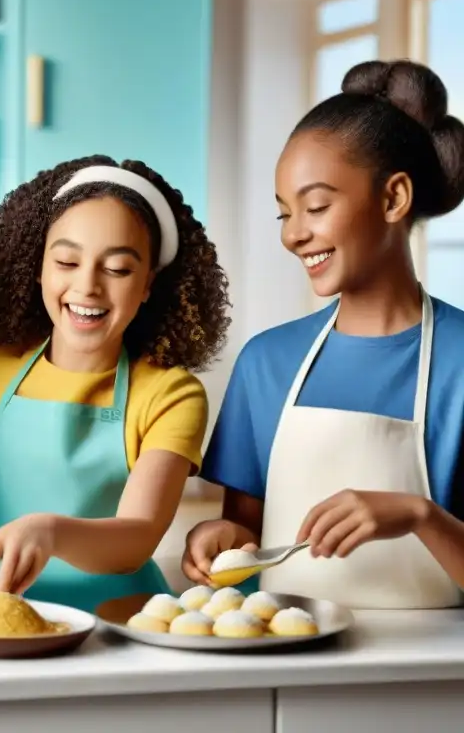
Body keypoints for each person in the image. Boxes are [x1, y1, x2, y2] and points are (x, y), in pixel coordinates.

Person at [183, 59, 464, 610]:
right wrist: (217, 545)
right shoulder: (265, 363)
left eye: (315, 206)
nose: (294, 235)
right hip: (289, 670)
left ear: (393, 199)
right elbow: (249, 538)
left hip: (435, 681)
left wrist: (417, 514)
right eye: (284, 214)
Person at [0, 155, 231, 613]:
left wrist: (50, 532)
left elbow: (137, 536)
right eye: (67, 261)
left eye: (117, 269)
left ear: (148, 284)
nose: (88, 286)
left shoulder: (171, 394)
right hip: (0, 614)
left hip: (122, 622)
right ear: (38, 267)